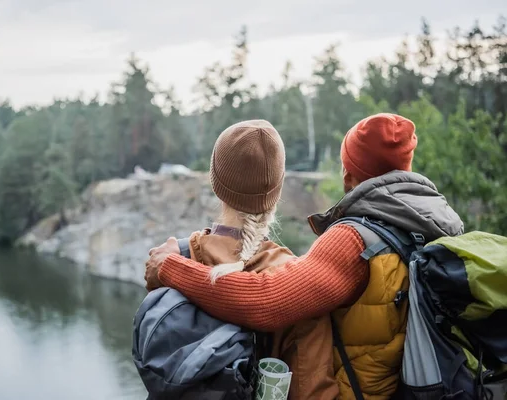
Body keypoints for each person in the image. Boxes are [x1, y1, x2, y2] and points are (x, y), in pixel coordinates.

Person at [145, 113, 465, 399]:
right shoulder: (438, 224)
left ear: (348, 176)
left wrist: (170, 266)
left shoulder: (351, 241)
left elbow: (267, 301)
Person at [169, 119, 339, 399]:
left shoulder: (178, 258)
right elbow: (313, 390)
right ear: (276, 191)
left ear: (216, 184)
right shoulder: (297, 281)